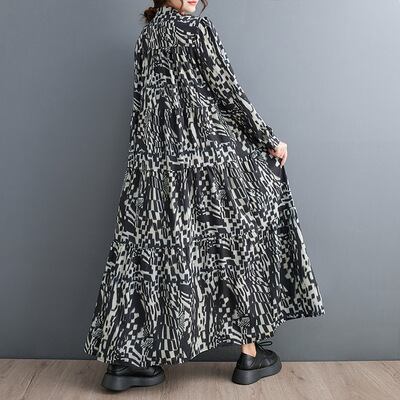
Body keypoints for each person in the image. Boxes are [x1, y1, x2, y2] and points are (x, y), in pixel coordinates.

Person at [83, 0, 326, 389]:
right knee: (232, 243)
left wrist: (142, 168)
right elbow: (227, 91)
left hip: (155, 166)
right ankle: (249, 354)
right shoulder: (197, 30)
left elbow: (141, 110)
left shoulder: (146, 39)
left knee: (146, 253)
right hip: (207, 160)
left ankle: (126, 362)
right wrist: (268, 139)